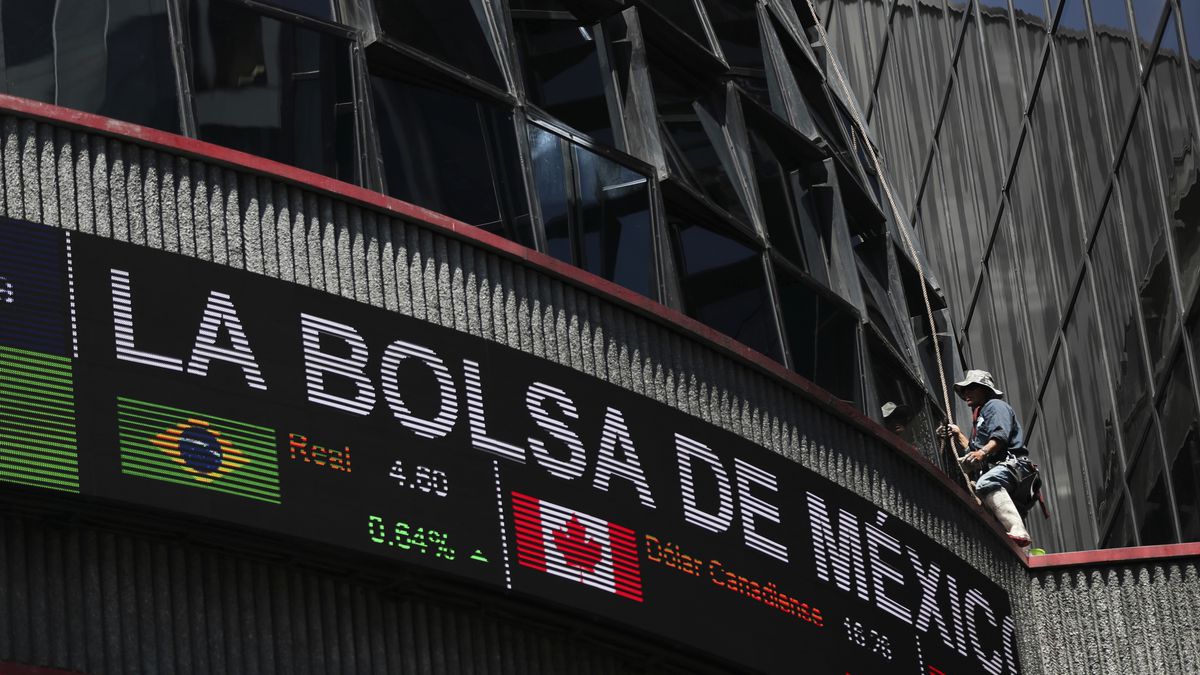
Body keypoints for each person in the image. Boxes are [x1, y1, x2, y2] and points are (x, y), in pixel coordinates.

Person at [941, 370, 1033, 547]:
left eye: (972, 388)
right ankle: (1020, 546)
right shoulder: (980, 417)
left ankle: (1018, 529)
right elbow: (974, 449)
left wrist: (982, 453)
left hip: (1014, 466)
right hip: (1007, 474)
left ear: (985, 390)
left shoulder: (994, 406)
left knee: (984, 483)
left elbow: (1000, 436)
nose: (966, 393)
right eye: (964, 390)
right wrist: (958, 433)